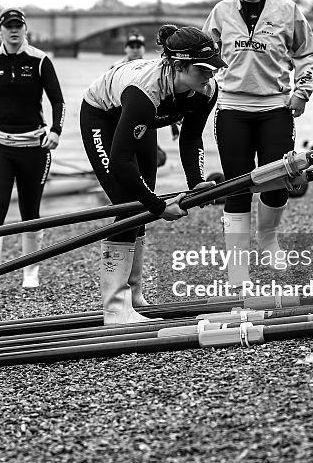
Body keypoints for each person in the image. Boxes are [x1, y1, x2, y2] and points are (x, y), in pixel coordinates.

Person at [81, 24, 224, 324]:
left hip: (143, 119)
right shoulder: (145, 91)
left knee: (141, 204)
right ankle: (115, 309)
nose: (211, 74)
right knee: (130, 204)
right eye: (204, 69)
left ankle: (134, 296)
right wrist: (159, 207)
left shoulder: (206, 90)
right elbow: (120, 161)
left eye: (214, 67)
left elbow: (191, 138)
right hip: (102, 115)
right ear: (178, 66)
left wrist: (195, 182)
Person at [202, 0, 313, 284]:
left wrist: (302, 91)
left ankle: (268, 239)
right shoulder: (221, 12)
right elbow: (204, 59)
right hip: (233, 109)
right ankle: (238, 268)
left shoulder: (287, 10)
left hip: (275, 109)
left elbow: (307, 54)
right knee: (238, 186)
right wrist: (193, 103)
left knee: (277, 178)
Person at [0, 8, 65, 293]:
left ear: (25, 30)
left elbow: (59, 101)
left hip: (34, 146)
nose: (14, 31)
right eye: (8, 27)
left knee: (30, 212)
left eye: (19, 26)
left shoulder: (40, 61)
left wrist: (56, 131)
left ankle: (30, 272)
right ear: (0, 31)